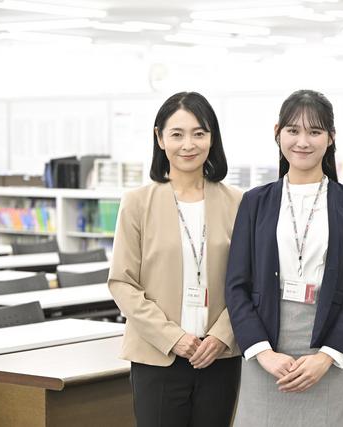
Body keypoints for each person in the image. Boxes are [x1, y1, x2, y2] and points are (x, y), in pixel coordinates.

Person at [225, 89, 343, 427]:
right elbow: (236, 286)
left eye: (315, 131)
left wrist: (327, 356)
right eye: (293, 130)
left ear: (331, 137)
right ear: (277, 132)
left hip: (327, 351)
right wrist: (262, 352)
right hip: (265, 351)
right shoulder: (255, 201)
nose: (303, 142)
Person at [108, 91, 242, 427]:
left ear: (212, 138)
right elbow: (122, 282)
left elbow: (248, 282)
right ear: (160, 138)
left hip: (219, 357)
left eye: (199, 133)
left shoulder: (238, 203)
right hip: (157, 356)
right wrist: (173, 337)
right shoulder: (137, 202)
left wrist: (221, 336)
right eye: (177, 134)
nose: (188, 144)